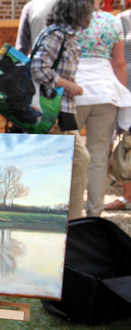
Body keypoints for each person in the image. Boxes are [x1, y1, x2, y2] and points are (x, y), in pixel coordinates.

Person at [29, 0, 94, 221]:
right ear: (78, 12)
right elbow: (37, 68)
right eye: (89, 10)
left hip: (61, 110)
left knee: (63, 162)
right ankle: (73, 220)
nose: (92, 14)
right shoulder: (57, 35)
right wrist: (68, 85)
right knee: (79, 159)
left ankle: (63, 218)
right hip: (52, 111)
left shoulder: (64, 36)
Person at [74, 0, 131, 217]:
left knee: (70, 152)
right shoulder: (110, 21)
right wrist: (122, 94)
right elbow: (119, 62)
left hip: (74, 90)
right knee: (98, 157)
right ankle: (94, 214)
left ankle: (71, 213)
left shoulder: (70, 20)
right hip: (105, 91)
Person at [105, 8, 131, 211]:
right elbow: (114, 58)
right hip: (126, 88)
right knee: (126, 143)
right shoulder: (120, 20)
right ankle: (128, 196)